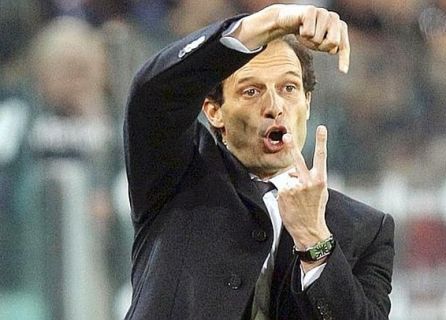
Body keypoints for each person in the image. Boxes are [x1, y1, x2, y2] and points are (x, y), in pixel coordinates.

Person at [124, 4, 395, 320]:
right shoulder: (176, 173)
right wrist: (272, 20)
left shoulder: (366, 229)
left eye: (289, 88)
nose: (275, 106)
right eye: (251, 91)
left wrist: (315, 241)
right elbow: (156, 94)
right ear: (214, 111)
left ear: (307, 103)